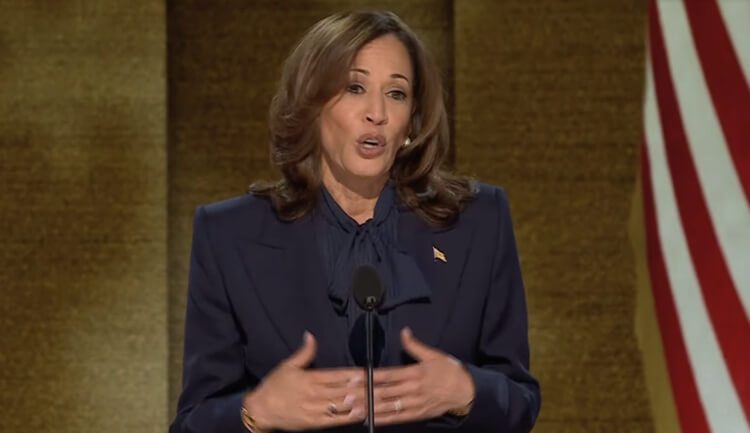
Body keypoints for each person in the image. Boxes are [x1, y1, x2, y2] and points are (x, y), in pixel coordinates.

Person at [170, 10, 540, 433]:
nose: (377, 113)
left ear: (412, 123)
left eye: (397, 94)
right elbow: (191, 424)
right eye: (355, 87)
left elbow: (521, 400)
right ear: (311, 105)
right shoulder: (229, 235)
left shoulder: (479, 220)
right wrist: (256, 413)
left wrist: (468, 391)